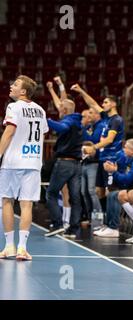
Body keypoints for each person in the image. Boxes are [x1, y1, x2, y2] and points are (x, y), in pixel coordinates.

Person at [0, 75, 48, 260]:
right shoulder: (40, 110)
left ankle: (9, 246)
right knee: (27, 204)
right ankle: (22, 248)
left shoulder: (14, 107)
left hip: (13, 162)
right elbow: (42, 132)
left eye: (16, 85)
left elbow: (9, 132)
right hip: (33, 161)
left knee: (7, 202)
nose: (11, 86)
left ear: (24, 92)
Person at [70, 84, 124, 215]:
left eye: (106, 102)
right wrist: (82, 91)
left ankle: (113, 224)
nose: (103, 104)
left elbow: (110, 139)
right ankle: (103, 219)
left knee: (111, 191)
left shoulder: (116, 120)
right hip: (102, 159)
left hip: (112, 159)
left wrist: (93, 147)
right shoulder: (107, 118)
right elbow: (93, 104)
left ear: (113, 104)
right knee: (99, 191)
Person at [94, 139, 133, 238]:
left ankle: (114, 228)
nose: (123, 149)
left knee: (115, 195)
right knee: (112, 194)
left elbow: (127, 180)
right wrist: (112, 170)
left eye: (126, 147)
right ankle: (111, 226)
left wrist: (114, 172)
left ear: (132, 150)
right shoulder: (131, 159)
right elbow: (124, 178)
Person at [44, 99, 83, 238]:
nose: (59, 110)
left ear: (64, 110)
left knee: (51, 193)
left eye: (60, 108)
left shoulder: (69, 121)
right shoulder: (78, 121)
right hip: (77, 165)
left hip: (64, 163)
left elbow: (62, 128)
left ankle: (57, 224)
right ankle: (73, 229)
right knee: (75, 198)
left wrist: (46, 119)